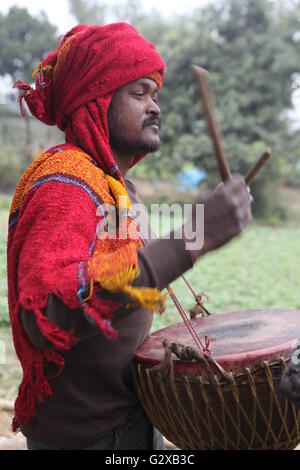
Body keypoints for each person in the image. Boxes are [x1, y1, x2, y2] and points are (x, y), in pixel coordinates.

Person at [8, 23, 252, 450]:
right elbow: (46, 317)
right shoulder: (65, 182)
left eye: (156, 95)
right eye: (139, 94)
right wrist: (195, 235)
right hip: (90, 439)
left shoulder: (115, 187)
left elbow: (118, 278)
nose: (155, 107)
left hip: (130, 419)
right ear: (96, 100)